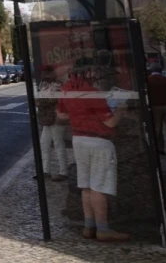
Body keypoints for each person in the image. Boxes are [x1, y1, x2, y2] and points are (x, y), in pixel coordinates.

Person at [56, 64, 128, 243]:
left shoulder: (66, 90)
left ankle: (89, 226)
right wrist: (120, 109)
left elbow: (61, 115)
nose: (97, 74)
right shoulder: (92, 92)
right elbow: (110, 123)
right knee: (99, 186)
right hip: (99, 141)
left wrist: (78, 115)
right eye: (94, 71)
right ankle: (103, 229)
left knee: (86, 185)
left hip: (78, 139)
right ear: (87, 73)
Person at [37, 67, 68, 181]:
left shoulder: (57, 84)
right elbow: (39, 99)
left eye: (45, 73)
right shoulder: (43, 85)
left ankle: (63, 171)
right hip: (47, 118)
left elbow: (53, 99)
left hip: (55, 117)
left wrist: (40, 101)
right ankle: (46, 171)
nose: (43, 75)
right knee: (44, 144)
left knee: (58, 144)